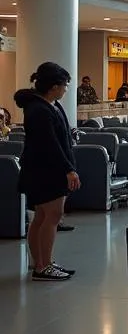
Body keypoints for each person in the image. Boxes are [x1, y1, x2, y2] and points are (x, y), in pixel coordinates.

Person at [15, 62, 79, 281]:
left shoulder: (49, 104)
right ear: (53, 87)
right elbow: (50, 144)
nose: (65, 90)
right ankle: (43, 265)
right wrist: (69, 169)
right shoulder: (39, 110)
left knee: (42, 216)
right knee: (52, 216)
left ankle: (42, 261)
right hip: (45, 171)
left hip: (45, 169)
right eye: (64, 86)